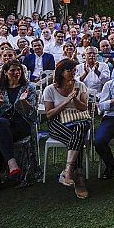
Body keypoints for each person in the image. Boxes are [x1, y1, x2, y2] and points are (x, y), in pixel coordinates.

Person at [0, 60, 39, 198]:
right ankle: (12, 163)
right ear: (5, 72)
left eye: (18, 70)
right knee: (0, 122)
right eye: (12, 70)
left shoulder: (29, 88)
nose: (16, 73)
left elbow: (33, 115)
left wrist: (24, 102)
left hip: (20, 125)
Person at [42, 59, 91, 199]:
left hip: (77, 120)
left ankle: (68, 171)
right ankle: (79, 177)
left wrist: (74, 99)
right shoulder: (50, 89)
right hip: (57, 122)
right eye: (69, 71)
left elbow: (84, 107)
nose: (73, 73)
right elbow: (49, 114)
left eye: (74, 71)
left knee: (81, 127)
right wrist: (66, 102)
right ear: (61, 72)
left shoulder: (80, 85)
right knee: (79, 137)